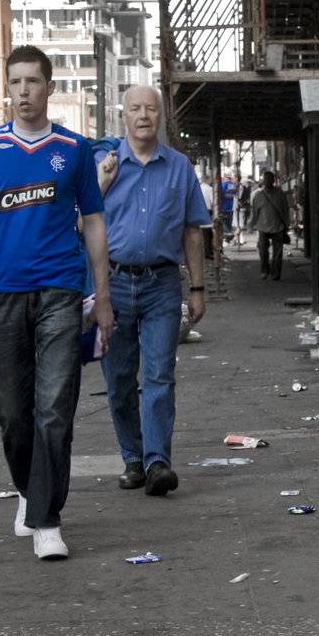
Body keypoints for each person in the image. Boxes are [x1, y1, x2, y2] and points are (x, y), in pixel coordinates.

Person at [0, 45, 113, 560]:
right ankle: (33, 493)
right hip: (4, 296)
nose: (24, 92)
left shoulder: (74, 149)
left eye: (33, 81)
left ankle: (47, 519)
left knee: (55, 406)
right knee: (12, 413)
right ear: (6, 89)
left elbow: (94, 224)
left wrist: (103, 298)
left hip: (60, 291)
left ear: (50, 88)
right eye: (15, 83)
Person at [94, 85, 211, 496]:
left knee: (160, 374)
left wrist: (197, 288)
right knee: (120, 379)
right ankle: (133, 458)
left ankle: (158, 460)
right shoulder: (104, 165)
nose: (143, 115)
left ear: (160, 116)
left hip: (162, 283)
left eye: (151, 109)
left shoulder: (179, 167)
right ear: (122, 115)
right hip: (114, 283)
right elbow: (82, 224)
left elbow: (192, 230)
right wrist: (101, 184)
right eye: (135, 109)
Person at [250, 170, 290, 281]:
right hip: (263, 227)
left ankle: (275, 273)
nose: (268, 181)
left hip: (278, 227)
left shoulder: (280, 194)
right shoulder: (258, 195)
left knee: (277, 253)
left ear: (273, 181)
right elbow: (254, 212)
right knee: (263, 250)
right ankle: (264, 270)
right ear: (263, 181)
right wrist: (251, 225)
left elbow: (285, 210)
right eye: (266, 179)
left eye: (270, 179)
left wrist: (287, 224)